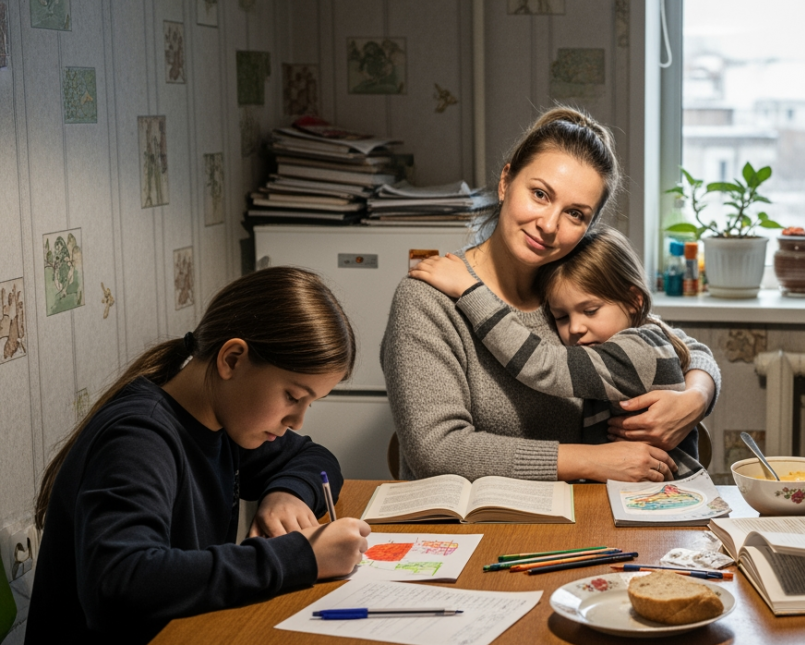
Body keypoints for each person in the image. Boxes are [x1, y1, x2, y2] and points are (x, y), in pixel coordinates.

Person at [26, 267, 371, 644]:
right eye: (292, 396)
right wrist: (301, 556)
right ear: (233, 360)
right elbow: (119, 585)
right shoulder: (139, 438)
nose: (298, 420)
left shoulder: (224, 422)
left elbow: (314, 458)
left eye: (310, 403)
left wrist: (287, 492)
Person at [381, 106, 720, 483]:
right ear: (506, 181)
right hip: (465, 529)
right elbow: (436, 451)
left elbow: (677, 345)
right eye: (540, 194)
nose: (548, 225)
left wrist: (695, 399)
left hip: (579, 522)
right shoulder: (429, 299)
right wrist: (591, 461)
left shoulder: (569, 292)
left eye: (575, 214)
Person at [410, 227, 703, 477]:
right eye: (561, 317)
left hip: (667, 498)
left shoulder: (638, 350)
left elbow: (542, 365)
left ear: (634, 301)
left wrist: (470, 291)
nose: (575, 328)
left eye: (590, 310)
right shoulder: (637, 337)